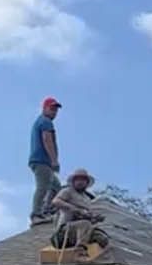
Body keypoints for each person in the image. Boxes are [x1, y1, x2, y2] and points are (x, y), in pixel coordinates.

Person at [49, 168, 108, 251]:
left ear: (87, 183)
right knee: (85, 224)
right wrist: (73, 208)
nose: (80, 182)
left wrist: (95, 218)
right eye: (78, 179)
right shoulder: (67, 191)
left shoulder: (87, 199)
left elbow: (88, 216)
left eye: (83, 180)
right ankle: (80, 249)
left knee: (102, 238)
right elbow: (56, 201)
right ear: (73, 181)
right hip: (65, 230)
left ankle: (89, 252)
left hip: (82, 231)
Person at [28, 96, 62, 225]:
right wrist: (54, 160)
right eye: (52, 108)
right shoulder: (45, 121)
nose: (54, 112)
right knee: (43, 187)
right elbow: (47, 140)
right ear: (44, 108)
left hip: (41, 161)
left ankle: (47, 210)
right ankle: (36, 214)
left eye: (55, 110)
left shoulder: (40, 121)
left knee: (56, 187)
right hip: (42, 161)